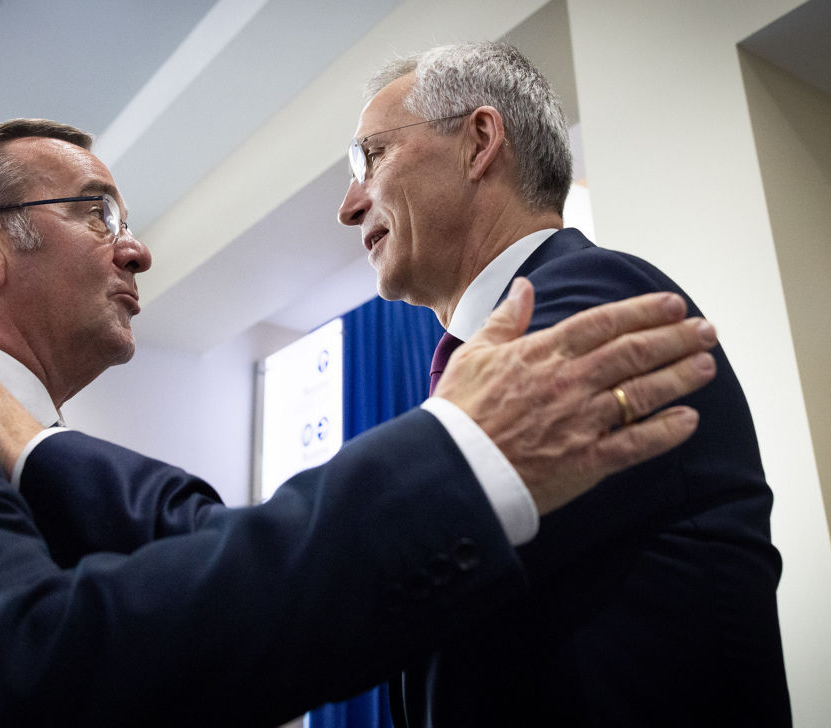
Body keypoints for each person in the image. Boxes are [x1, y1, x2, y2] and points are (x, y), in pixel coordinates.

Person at [0, 119, 719, 727]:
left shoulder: (10, 451)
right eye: (99, 213)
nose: (136, 252)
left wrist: (43, 451)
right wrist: (460, 455)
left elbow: (200, 566)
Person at [335, 42, 791, 726]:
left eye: (369, 157)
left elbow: (385, 550)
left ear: (479, 142)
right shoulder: (493, 351)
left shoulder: (599, 300)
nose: (348, 204)